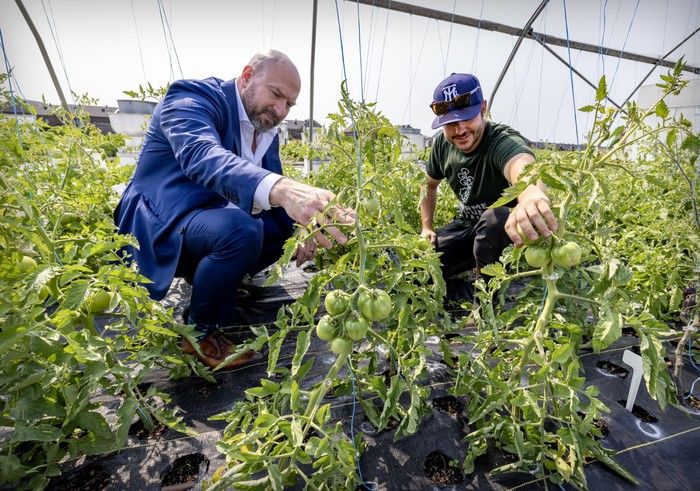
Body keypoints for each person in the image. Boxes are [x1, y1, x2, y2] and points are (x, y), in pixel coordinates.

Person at [115, 50, 353, 369]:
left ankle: (221, 279)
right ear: (246, 76)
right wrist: (284, 189)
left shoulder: (265, 131)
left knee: (285, 226)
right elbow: (202, 155)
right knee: (242, 230)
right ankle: (198, 334)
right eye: (276, 94)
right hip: (164, 223)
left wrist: (307, 227)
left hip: (210, 223)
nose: (281, 109)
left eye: (289, 104)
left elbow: (271, 197)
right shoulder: (193, 97)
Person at [419, 73, 558, 301]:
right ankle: (465, 293)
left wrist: (531, 195)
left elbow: (522, 166)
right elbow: (428, 186)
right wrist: (427, 227)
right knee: (421, 263)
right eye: (451, 123)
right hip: (468, 228)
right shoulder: (442, 145)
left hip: (508, 236)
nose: (460, 129)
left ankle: (488, 300)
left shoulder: (501, 141)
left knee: (495, 219)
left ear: (483, 108)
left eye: (467, 118)